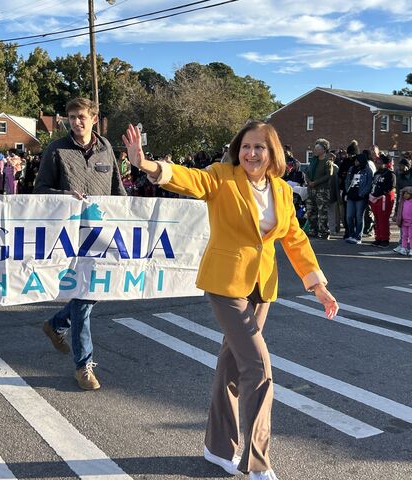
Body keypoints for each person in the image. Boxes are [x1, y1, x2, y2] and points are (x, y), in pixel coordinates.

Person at [123, 121, 338, 480]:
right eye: (246, 147)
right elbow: (190, 179)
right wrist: (146, 164)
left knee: (233, 367)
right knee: (258, 366)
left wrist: (317, 285)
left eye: (259, 148)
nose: (251, 154)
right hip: (225, 282)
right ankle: (256, 462)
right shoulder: (222, 177)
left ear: (273, 153)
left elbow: (295, 238)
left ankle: (216, 447)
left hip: (261, 286)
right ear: (238, 150)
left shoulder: (282, 191)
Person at [34, 97, 126, 391]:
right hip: (68, 236)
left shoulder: (106, 149)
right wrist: (64, 195)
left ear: (94, 119)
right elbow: (40, 190)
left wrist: (129, 216)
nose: (76, 122)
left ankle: (57, 324)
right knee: (84, 298)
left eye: (81, 117)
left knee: (93, 290)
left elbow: (117, 188)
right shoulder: (56, 149)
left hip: (100, 234)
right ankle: (83, 366)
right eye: (71, 117)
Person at [305, 138, 334, 239]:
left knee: (322, 213)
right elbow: (307, 173)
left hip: (322, 190)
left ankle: (324, 232)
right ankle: (313, 230)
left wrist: (315, 182)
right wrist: (308, 181)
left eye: (317, 148)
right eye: (315, 148)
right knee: (310, 211)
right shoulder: (313, 161)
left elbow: (328, 176)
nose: (315, 150)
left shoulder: (327, 162)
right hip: (311, 190)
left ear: (324, 149)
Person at [344, 153, 373, 244]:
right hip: (351, 196)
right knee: (349, 216)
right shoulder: (351, 169)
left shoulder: (367, 171)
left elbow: (369, 184)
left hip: (361, 197)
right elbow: (347, 181)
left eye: (357, 160)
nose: (355, 162)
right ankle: (352, 235)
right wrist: (347, 192)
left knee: (359, 217)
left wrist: (362, 193)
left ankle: (358, 236)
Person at [369, 154, 396, 248]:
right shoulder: (376, 173)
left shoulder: (390, 174)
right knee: (377, 219)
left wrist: (380, 193)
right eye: (377, 162)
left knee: (383, 219)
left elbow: (390, 187)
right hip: (375, 200)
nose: (377, 164)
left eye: (380, 163)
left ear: (385, 163)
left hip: (384, 199)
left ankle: (385, 239)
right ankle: (378, 238)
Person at [396, 186, 412, 256]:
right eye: (404, 194)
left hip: (411, 222)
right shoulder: (402, 202)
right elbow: (399, 211)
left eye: (407, 194)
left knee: (411, 236)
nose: (405, 195)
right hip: (404, 222)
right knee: (404, 235)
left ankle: (411, 249)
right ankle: (403, 248)